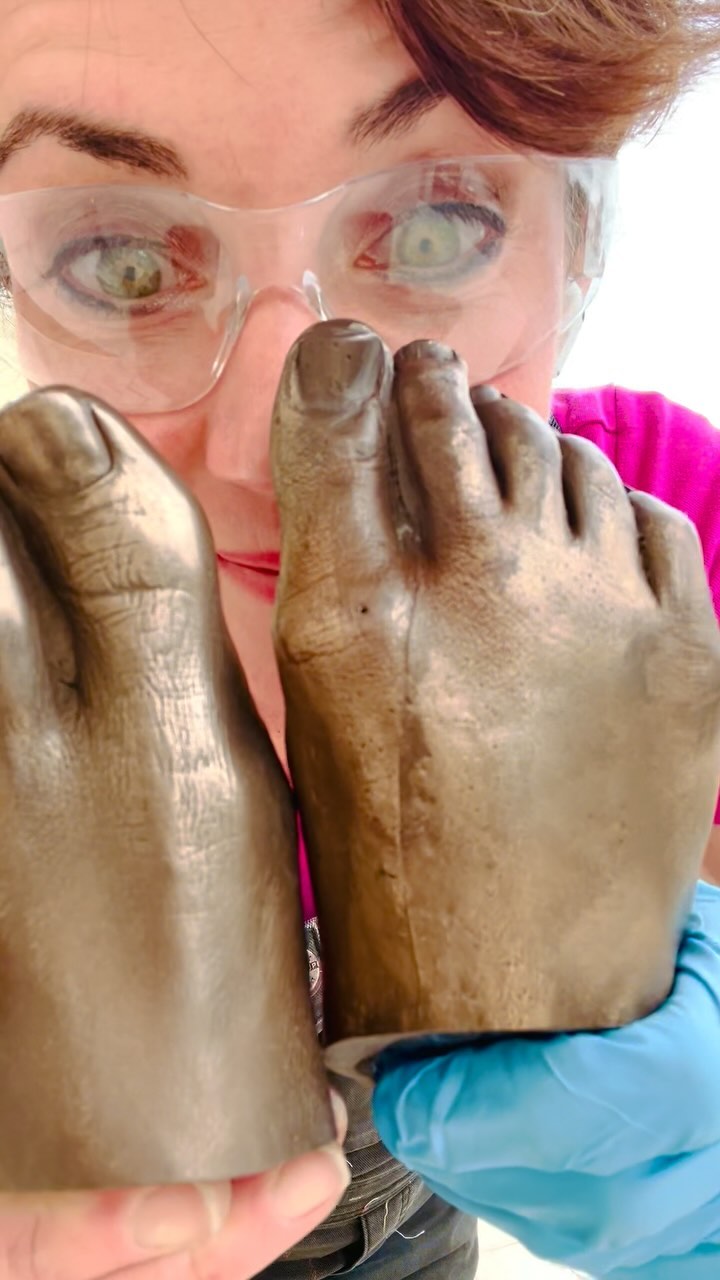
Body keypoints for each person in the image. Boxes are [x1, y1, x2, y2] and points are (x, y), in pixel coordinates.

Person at [0, 1, 718, 1277]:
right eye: (120, 260)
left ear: (580, 240)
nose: (267, 451)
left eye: (436, 229)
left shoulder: (666, 528)